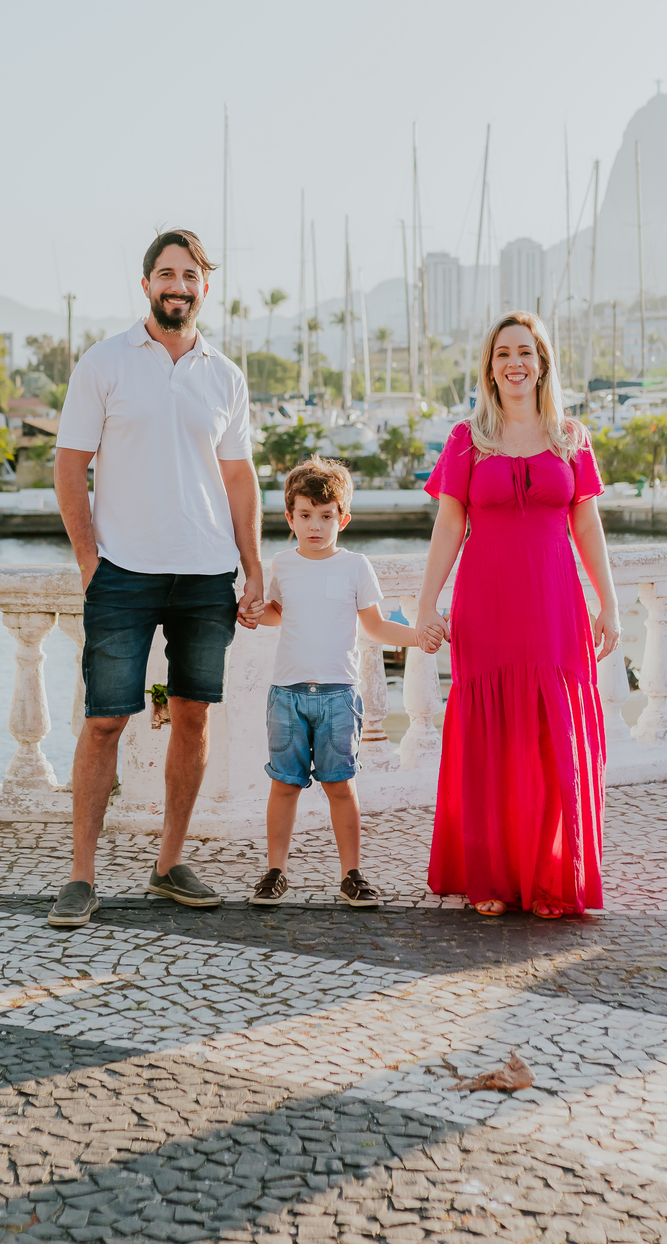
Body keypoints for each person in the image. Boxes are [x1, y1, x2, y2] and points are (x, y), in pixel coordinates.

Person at [46, 228, 264, 927]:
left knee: (194, 719)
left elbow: (239, 477)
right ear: (147, 285)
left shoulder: (225, 376)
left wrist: (253, 563)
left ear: (205, 286)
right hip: (123, 571)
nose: (179, 284)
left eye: (191, 273)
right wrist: (89, 559)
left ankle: (169, 863)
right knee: (105, 719)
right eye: (167, 273)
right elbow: (68, 465)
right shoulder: (104, 363)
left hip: (206, 575)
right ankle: (82, 875)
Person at [416, 311, 621, 920]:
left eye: (526, 353)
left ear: (542, 363)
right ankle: (493, 877)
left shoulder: (571, 437)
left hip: (555, 603)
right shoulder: (467, 439)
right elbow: (450, 522)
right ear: (489, 367)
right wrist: (427, 603)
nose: (515, 363)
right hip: (489, 602)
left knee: (551, 735)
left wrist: (607, 602)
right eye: (503, 352)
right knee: (492, 738)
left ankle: (554, 876)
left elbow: (586, 521)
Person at [250, 456, 417, 910]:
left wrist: (419, 636)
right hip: (286, 695)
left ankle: (352, 874)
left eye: (326, 517)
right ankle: (275, 871)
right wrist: (247, 612)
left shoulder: (355, 566)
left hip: (339, 696)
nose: (315, 526)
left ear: (342, 519)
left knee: (340, 786)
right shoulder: (281, 565)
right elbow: (275, 614)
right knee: (283, 785)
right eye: (305, 515)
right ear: (290, 518)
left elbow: (377, 627)